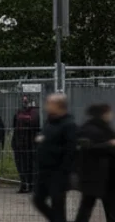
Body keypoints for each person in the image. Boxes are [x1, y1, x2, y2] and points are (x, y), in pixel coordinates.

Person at [32, 93, 77, 222]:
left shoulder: (68, 124)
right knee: (38, 200)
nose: (47, 106)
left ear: (59, 106)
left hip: (58, 173)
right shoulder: (50, 122)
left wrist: (65, 171)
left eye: (49, 103)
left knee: (58, 205)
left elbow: (70, 150)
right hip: (44, 171)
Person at [75, 103, 115, 222]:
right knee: (90, 207)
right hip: (99, 176)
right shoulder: (92, 129)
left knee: (87, 207)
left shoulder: (102, 127)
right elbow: (88, 148)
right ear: (102, 114)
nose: (110, 115)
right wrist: (109, 145)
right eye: (108, 112)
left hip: (101, 176)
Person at [13, 95, 43, 193]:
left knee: (31, 165)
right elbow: (15, 126)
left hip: (30, 144)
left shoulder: (34, 113)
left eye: (26, 100)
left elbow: (35, 125)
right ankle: (24, 183)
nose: (24, 102)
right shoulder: (18, 112)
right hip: (19, 143)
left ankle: (31, 185)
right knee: (21, 165)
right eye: (24, 100)